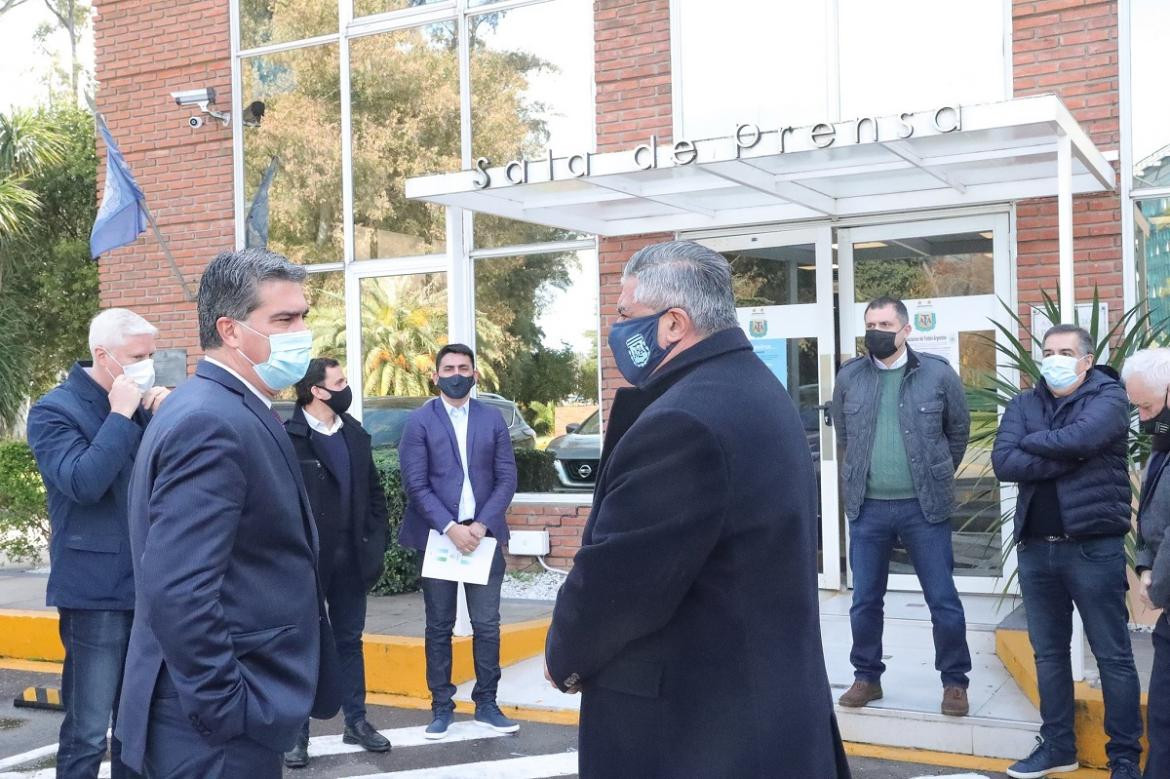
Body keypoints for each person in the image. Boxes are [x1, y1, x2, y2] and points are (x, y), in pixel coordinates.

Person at [544, 240, 850, 778]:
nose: (617, 330)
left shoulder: (682, 421)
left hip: (697, 727)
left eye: (626, 315)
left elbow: (621, 579)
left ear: (674, 324)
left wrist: (563, 656)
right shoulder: (753, 387)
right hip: (759, 708)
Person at [115, 248, 341, 777]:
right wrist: (228, 710)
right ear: (231, 330)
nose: (300, 332)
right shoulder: (210, 421)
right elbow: (180, 589)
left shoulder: (219, 406)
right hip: (211, 732)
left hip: (215, 719)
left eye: (303, 316)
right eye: (283, 319)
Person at [992, 324, 1142, 779]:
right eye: (1048, 350)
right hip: (1037, 550)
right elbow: (1004, 461)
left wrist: (1035, 444)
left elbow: (1082, 439)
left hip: (1093, 547)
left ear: (1087, 360)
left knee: (1112, 655)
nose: (1054, 358)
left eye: (1065, 351)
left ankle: (1124, 758)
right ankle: (1058, 747)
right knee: (1048, 653)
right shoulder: (1023, 403)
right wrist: (1067, 452)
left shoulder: (1109, 398)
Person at [27, 308, 168, 779]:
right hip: (95, 593)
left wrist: (170, 417)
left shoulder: (146, 406)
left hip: (151, 586)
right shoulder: (55, 410)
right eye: (138, 355)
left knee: (138, 724)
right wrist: (121, 413)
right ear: (104, 356)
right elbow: (83, 481)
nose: (148, 364)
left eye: (151, 354)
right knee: (89, 730)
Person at [831, 297, 972, 717]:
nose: (877, 330)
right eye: (871, 323)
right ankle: (866, 677)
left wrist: (937, 472)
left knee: (943, 599)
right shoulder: (849, 377)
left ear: (905, 330)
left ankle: (954, 682)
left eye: (885, 323)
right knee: (865, 601)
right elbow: (845, 433)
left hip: (923, 508)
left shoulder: (938, 375)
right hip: (868, 508)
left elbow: (958, 431)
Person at [397, 343, 519, 740]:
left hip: (483, 537)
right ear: (435, 375)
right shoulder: (420, 421)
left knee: (487, 625)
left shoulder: (493, 419)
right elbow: (415, 483)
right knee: (439, 625)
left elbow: (507, 478)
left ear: (475, 375)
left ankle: (486, 703)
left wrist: (482, 525)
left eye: (463, 367)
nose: (455, 373)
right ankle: (441, 707)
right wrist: (450, 527)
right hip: (439, 537)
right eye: (448, 367)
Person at [282, 358, 391, 767]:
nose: (347, 387)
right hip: (305, 565)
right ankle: (297, 733)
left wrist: (375, 544)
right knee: (303, 645)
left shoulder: (356, 435)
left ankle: (356, 722)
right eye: (340, 381)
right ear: (318, 391)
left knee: (350, 641)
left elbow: (375, 497)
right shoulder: (288, 438)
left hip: (351, 562)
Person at [1122, 348, 1170, 779]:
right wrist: (1144, 565)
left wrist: (1157, 586)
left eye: (1148, 406)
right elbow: (1154, 510)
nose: (1142, 415)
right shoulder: (1165, 438)